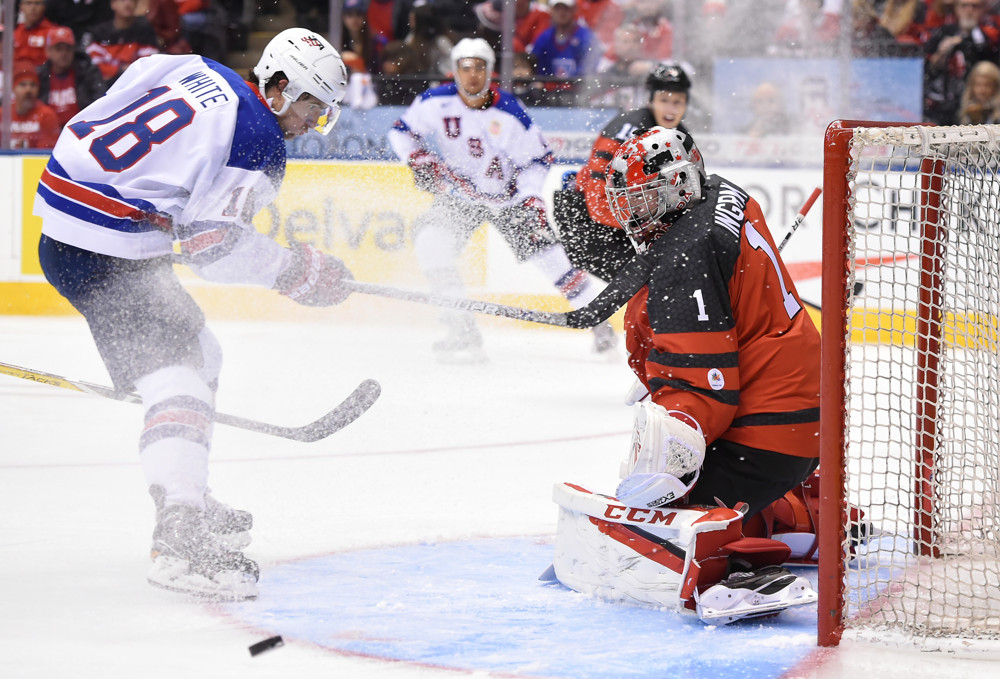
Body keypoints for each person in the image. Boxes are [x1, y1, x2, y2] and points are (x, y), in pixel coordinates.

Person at [32, 28, 354, 601]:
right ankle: (178, 530)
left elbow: (120, 98)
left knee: (203, 353)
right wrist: (298, 272)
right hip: (104, 248)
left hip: (70, 210)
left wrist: (145, 197)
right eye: (312, 107)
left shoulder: (197, 66)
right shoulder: (259, 140)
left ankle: (189, 487)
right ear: (278, 87)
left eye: (325, 114)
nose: (313, 123)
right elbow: (215, 248)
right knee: (177, 374)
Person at [552, 126, 820, 620]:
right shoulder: (719, 191)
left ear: (676, 187)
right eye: (627, 202)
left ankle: (736, 571)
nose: (631, 216)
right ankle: (807, 516)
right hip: (803, 422)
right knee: (694, 479)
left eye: (644, 201)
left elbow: (703, 397)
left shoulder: (684, 257)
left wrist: (657, 468)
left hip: (765, 439)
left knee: (658, 517)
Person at [388, 38, 616, 360]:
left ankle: (600, 323)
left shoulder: (510, 113)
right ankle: (461, 328)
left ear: (490, 71)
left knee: (554, 262)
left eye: (479, 68)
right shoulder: (433, 101)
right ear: (454, 71)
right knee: (430, 242)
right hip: (461, 195)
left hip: (508, 199)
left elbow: (537, 161)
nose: (472, 76)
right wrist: (417, 158)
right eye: (465, 68)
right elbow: (400, 132)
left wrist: (530, 198)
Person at [554, 61, 692, 283]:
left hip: (628, 224)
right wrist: (653, 228)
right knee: (655, 279)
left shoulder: (680, 138)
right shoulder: (625, 132)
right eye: (664, 100)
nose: (671, 109)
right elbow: (597, 204)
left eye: (678, 102)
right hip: (584, 222)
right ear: (651, 100)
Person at [923, 0, 1000, 124]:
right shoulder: (944, 32)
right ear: (956, 8)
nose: (969, 10)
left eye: (974, 6)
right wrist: (940, 55)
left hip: (980, 100)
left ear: (983, 9)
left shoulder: (991, 34)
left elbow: (990, 59)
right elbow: (927, 69)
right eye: (964, 6)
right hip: (945, 103)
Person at [37, 26, 107, 128]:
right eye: (58, 49)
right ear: (48, 51)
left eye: (68, 49)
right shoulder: (40, 76)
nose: (64, 54)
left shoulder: (88, 72)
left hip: (81, 130)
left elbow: (100, 102)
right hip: (47, 132)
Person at [81, 0, 161, 87]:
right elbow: (96, 68)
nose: (128, 3)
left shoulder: (144, 30)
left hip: (137, 86)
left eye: (132, 1)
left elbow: (149, 64)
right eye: (122, 0)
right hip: (105, 89)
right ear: (112, 4)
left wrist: (122, 72)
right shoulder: (99, 33)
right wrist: (121, 71)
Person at [2, 61, 62, 148]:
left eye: (33, 85)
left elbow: (45, 152)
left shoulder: (47, 115)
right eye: (23, 85)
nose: (28, 90)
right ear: (13, 88)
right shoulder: (3, 114)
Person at [14, 0, 65, 68]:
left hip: (41, 75)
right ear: (21, 7)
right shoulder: (15, 32)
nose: (33, 8)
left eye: (37, 3)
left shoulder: (53, 33)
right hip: (15, 74)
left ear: (44, 7)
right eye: (28, 3)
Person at [958, 59, 1000, 123]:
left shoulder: (997, 118)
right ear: (971, 87)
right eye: (978, 85)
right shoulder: (962, 114)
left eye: (988, 85)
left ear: (996, 87)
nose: (982, 90)